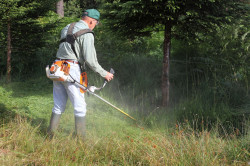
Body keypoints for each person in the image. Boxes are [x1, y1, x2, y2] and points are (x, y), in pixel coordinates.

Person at [48, 9, 113, 139]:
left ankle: (50, 136)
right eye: (95, 23)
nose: (94, 26)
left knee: (58, 103)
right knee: (80, 106)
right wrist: (104, 73)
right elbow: (90, 60)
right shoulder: (87, 33)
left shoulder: (67, 27)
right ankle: (81, 140)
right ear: (91, 21)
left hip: (57, 67)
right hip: (71, 68)